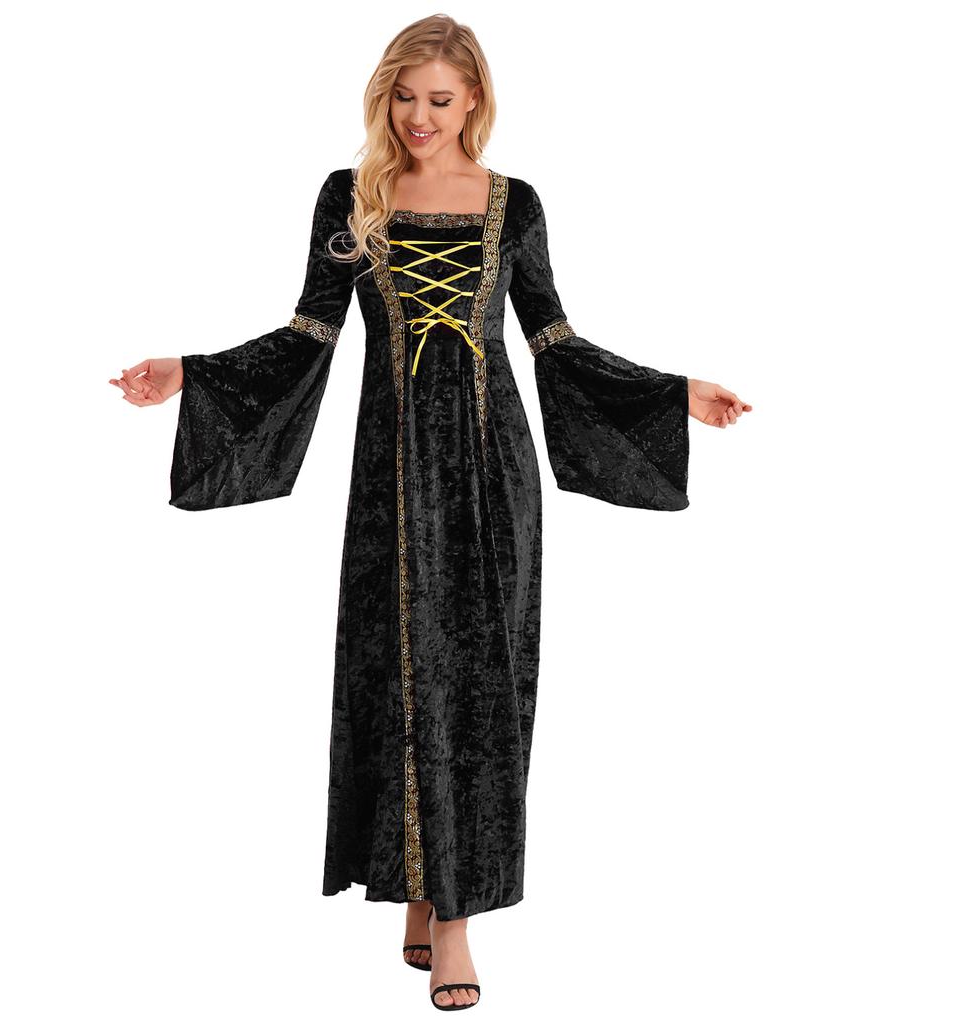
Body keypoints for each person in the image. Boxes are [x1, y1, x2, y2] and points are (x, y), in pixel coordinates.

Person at [109, 13, 751, 1012]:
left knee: (477, 684)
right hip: (391, 478)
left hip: (493, 471)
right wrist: (189, 371)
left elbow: (553, 340)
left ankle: (453, 920)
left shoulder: (512, 204)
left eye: (440, 100)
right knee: (398, 675)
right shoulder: (350, 196)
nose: (419, 118)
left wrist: (673, 392)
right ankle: (417, 885)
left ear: (475, 100)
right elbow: (308, 332)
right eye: (404, 98)